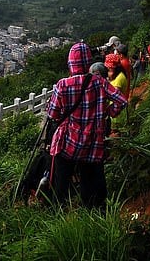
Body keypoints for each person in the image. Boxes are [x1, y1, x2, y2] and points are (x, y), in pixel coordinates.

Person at [46, 42, 127, 209]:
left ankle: (56, 211)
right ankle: (93, 214)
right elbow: (121, 100)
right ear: (88, 62)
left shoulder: (63, 85)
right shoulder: (99, 82)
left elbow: (52, 114)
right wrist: (108, 112)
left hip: (68, 143)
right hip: (92, 144)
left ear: (70, 63)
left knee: (60, 182)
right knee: (92, 184)